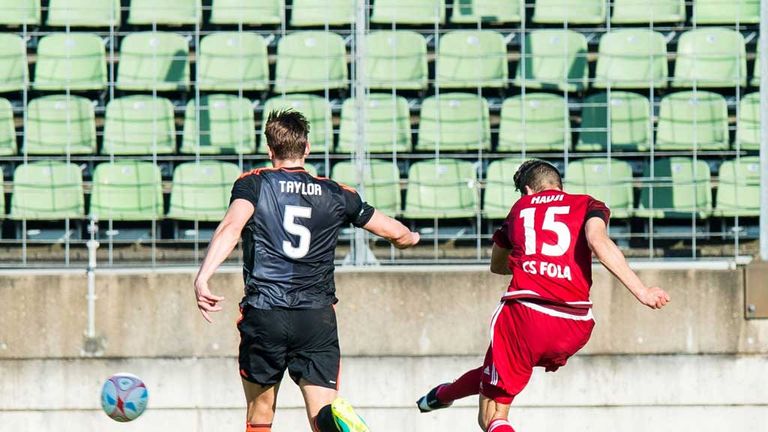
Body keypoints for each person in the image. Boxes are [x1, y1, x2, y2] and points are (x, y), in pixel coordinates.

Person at [194, 110, 420, 432]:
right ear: (307, 148)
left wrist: (203, 276)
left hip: (265, 312)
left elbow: (232, 226)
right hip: (315, 316)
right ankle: (336, 424)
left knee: (260, 412)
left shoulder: (253, 185)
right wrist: (411, 238)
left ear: (270, 150)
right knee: (323, 414)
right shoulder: (337, 193)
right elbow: (395, 233)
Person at [416, 159, 670, 432]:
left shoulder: (520, 209)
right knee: (499, 368)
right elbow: (598, 241)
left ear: (527, 190)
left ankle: (444, 396)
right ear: (559, 185)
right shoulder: (588, 204)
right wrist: (642, 291)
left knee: (492, 416)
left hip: (525, 316)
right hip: (575, 323)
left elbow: (497, 266)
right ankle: (441, 395)